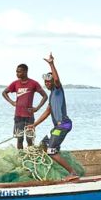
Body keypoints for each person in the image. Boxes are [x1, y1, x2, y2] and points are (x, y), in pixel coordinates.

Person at [28, 53, 79, 181]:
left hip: (64, 125)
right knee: (46, 145)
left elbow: (56, 80)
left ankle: (72, 173)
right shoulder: (51, 96)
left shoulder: (58, 90)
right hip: (58, 126)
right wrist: (34, 125)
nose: (47, 84)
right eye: (45, 82)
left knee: (51, 151)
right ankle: (58, 162)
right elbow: (47, 112)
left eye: (49, 81)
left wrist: (51, 64)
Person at [2, 63, 48, 149]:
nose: (17, 74)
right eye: (16, 72)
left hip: (29, 117)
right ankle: (20, 156)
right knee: (19, 139)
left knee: (29, 139)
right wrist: (12, 102)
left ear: (25, 72)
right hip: (18, 116)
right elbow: (4, 93)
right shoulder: (15, 83)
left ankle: (30, 156)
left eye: (19, 72)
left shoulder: (34, 83)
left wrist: (37, 108)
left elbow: (45, 96)